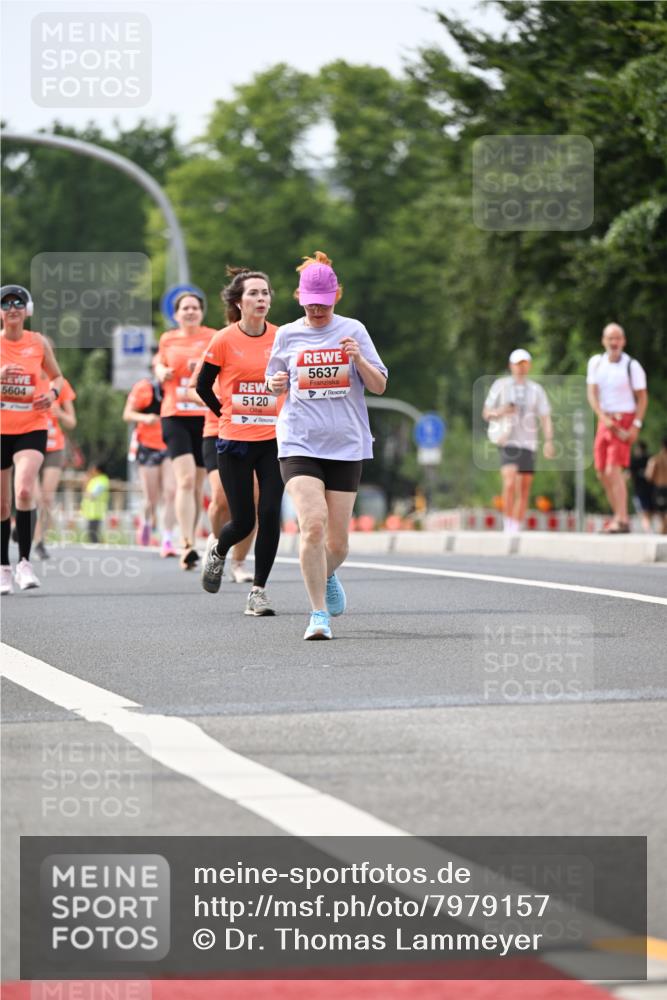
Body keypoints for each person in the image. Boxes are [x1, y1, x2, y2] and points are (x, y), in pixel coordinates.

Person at [265, 251, 388, 640]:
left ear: (337, 296)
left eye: (324, 304)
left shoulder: (355, 330)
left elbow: (380, 384)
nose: (317, 311)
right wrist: (276, 385)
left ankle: (327, 572)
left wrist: (358, 360)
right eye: (310, 304)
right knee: (312, 525)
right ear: (299, 298)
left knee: (337, 543)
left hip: (346, 445)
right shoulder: (286, 334)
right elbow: (272, 379)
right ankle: (318, 615)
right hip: (299, 441)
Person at [197, 267, 284, 615]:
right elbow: (202, 385)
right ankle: (219, 550)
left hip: (274, 440)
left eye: (265, 293)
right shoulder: (223, 339)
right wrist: (225, 413)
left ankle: (258, 591)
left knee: (270, 513)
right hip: (234, 441)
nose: (261, 299)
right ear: (239, 300)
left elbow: (291, 380)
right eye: (254, 293)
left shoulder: (281, 337)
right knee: (243, 521)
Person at [1, 284, 64, 593]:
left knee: (24, 490)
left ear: (27, 310)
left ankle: (25, 563)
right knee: (2, 505)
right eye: (6, 303)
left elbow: (58, 377)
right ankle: (3, 568)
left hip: (32, 425)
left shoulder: (37, 342)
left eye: (18, 302)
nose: (12, 307)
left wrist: (52, 394)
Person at [155, 292, 217, 568]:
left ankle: (192, 540)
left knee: (197, 483)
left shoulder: (214, 337)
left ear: (201, 312)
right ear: (176, 314)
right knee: (186, 479)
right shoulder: (168, 338)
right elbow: (158, 361)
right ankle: (187, 543)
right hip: (175, 414)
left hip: (204, 415)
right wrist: (160, 371)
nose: (190, 312)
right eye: (185, 308)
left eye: (195, 307)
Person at [189, 354, 256, 583]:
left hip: (252, 432)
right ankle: (218, 545)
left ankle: (239, 562)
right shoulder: (218, 349)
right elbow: (192, 389)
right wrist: (220, 400)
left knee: (253, 499)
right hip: (216, 432)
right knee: (220, 496)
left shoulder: (262, 349)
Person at [482, 349, 554, 533]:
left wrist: (549, 441)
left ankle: (517, 524)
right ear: (510, 365)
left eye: (524, 363)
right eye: (517, 364)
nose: (521, 368)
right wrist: (502, 412)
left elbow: (545, 417)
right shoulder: (500, 386)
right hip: (508, 441)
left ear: (529, 365)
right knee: (509, 481)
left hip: (528, 443)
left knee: (524, 487)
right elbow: (486, 412)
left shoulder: (536, 390)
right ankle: (508, 523)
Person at [586, 322, 648, 533]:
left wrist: (635, 426)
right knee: (602, 471)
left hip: (624, 419)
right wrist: (602, 417)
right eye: (610, 338)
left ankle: (622, 519)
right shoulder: (596, 363)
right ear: (604, 341)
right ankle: (617, 516)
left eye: (618, 338)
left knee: (614, 470)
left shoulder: (632, 366)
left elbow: (642, 397)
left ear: (623, 341)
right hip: (605, 420)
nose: (614, 342)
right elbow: (592, 393)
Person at [123, 361, 177, 557]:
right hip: (147, 446)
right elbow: (127, 414)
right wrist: (145, 418)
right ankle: (146, 522)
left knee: (171, 492)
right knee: (151, 497)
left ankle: (168, 538)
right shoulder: (143, 388)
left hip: (170, 445)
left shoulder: (177, 389)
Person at [32, 361, 77, 560]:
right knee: (32, 496)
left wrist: (58, 413)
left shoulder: (61, 385)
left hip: (54, 447)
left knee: (47, 498)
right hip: (30, 443)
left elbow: (72, 422)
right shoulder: (26, 381)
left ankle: (39, 540)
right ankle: (26, 527)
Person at [81, 461, 110, 543]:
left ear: (98, 470)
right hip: (91, 512)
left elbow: (93, 495)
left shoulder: (102, 480)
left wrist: (85, 483)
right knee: (92, 534)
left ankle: (99, 550)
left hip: (96, 512)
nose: (91, 471)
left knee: (93, 534)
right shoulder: (95, 480)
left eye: (93, 469)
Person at [629, 440, 654, 534]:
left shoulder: (635, 460)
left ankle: (648, 531)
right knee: (649, 512)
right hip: (651, 490)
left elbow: (630, 474)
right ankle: (649, 528)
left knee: (643, 513)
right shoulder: (651, 458)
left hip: (639, 490)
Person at [646, 439, 667, 534]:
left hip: (660, 488)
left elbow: (649, 475)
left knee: (662, 512)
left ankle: (663, 529)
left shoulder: (656, 459)